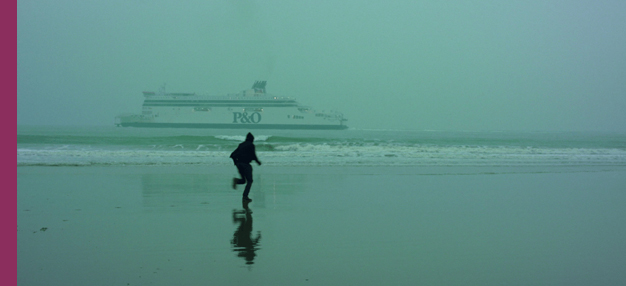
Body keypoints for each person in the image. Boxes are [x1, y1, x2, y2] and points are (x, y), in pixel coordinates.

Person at [230, 132, 261, 202]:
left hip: (239, 164)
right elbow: (253, 155)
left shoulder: (241, 145)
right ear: (251, 139)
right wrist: (257, 161)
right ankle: (245, 196)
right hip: (246, 165)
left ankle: (236, 180)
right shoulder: (251, 145)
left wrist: (236, 163)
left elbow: (232, 155)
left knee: (244, 180)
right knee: (250, 181)